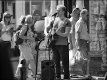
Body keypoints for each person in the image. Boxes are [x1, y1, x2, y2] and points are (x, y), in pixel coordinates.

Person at [46, 5, 71, 80]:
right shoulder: (54, 20)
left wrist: (58, 33)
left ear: (63, 11)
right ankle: (57, 77)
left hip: (63, 44)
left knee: (64, 62)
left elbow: (66, 34)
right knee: (56, 62)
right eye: (57, 10)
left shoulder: (67, 21)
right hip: (54, 43)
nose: (57, 11)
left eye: (58, 10)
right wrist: (48, 34)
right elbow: (47, 29)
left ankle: (66, 77)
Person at [75, 9, 90, 75]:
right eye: (87, 15)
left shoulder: (83, 22)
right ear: (82, 15)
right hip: (81, 42)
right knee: (85, 59)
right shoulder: (80, 22)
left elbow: (84, 33)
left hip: (83, 42)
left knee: (85, 58)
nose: (88, 16)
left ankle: (84, 73)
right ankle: (84, 74)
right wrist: (78, 45)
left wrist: (88, 39)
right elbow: (78, 33)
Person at [0, 11, 15, 80]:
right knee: (3, 60)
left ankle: (8, 74)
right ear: (4, 17)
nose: (9, 18)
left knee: (8, 59)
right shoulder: (1, 24)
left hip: (8, 43)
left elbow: (11, 35)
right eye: (7, 17)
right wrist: (5, 30)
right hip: (2, 44)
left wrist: (10, 31)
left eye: (10, 17)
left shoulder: (11, 25)